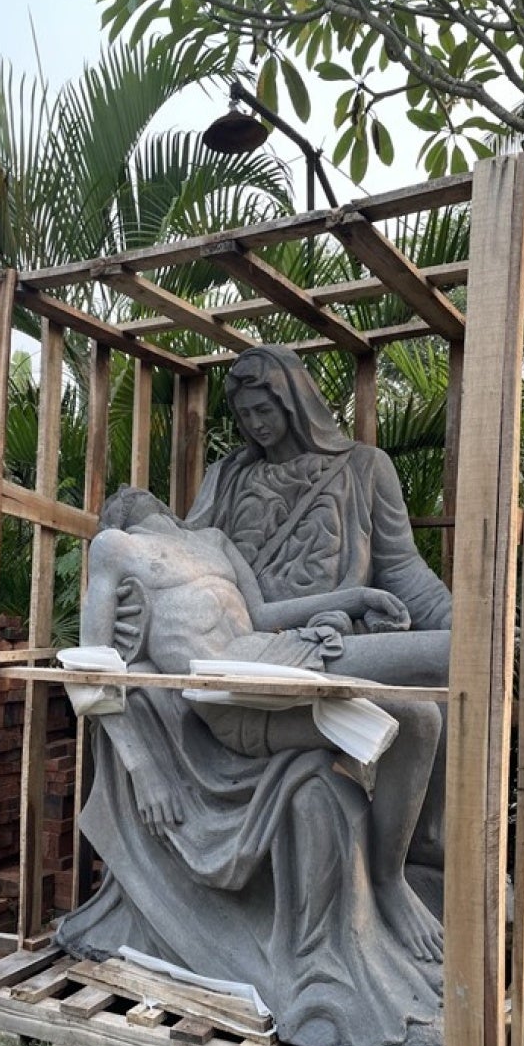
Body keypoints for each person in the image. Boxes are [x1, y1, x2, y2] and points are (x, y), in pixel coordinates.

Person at [55, 489, 446, 1046]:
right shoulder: (117, 546)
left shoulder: (211, 543)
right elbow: (92, 664)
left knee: (427, 710)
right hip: (233, 697)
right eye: (128, 497)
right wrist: (144, 766)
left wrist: (357, 597)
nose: (139, 496)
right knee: (423, 700)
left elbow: (262, 617)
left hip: (274, 657)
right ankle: (387, 888)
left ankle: (396, 875)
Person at [186, 345, 451, 868]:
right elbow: (188, 558)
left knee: (462, 656)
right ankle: (398, 862)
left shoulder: (364, 467)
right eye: (244, 415)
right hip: (252, 652)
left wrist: (456, 617)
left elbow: (402, 569)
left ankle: (425, 836)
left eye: (265, 411)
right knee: (448, 665)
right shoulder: (227, 478)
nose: (256, 425)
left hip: (332, 643)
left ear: (294, 402)